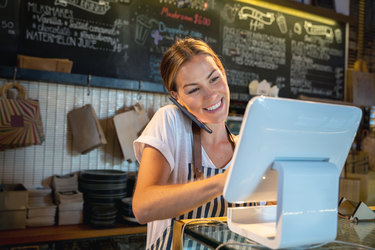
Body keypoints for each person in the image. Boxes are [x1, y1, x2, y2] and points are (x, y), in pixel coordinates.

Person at [132, 38, 254, 250]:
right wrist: (223, 182)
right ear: (177, 98)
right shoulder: (170, 121)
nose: (211, 94)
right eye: (193, 90)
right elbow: (143, 208)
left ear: (223, 73)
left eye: (214, 79)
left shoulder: (249, 147)